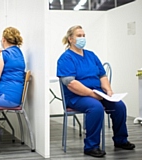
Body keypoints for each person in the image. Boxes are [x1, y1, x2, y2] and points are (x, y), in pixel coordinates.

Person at [56, 25, 135, 158]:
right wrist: (92, 94)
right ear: (70, 39)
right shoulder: (66, 58)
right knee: (96, 107)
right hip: (76, 96)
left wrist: (108, 91)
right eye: (79, 36)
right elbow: (71, 83)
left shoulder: (91, 55)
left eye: (84, 35)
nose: (82, 38)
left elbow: (102, 75)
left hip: (98, 93)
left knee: (119, 106)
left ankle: (121, 140)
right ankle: (91, 146)